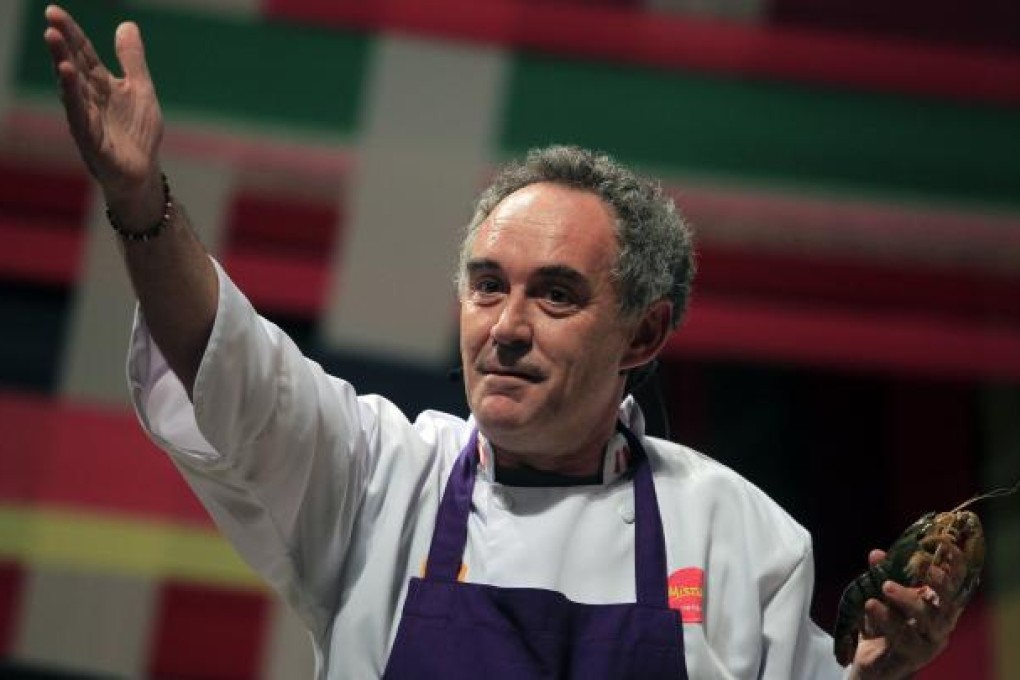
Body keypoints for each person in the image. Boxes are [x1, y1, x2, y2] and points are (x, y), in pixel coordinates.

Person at [43, 5, 969, 678]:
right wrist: (139, 200)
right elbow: (227, 360)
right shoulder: (378, 477)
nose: (507, 328)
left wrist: (874, 674)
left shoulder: (741, 536)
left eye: (556, 295)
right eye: (488, 286)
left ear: (644, 331)